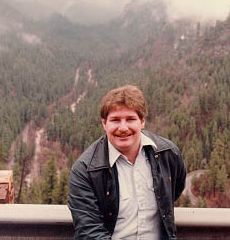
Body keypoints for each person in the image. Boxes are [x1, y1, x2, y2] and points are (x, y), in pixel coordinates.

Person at [68, 85, 186, 240]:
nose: (123, 128)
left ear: (142, 121)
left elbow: (174, 190)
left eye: (130, 119)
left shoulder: (168, 154)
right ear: (104, 123)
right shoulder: (85, 170)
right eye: (115, 120)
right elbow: (89, 231)